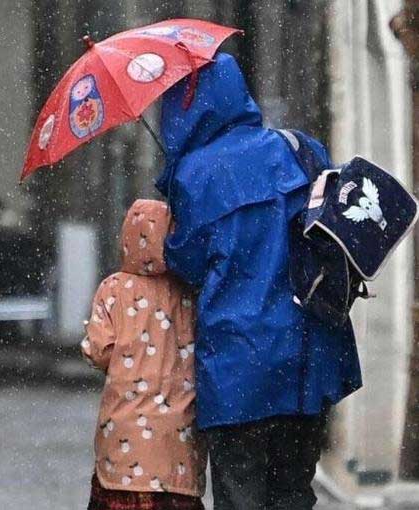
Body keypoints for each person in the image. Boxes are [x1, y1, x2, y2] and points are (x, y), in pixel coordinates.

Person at [156, 53, 362, 509]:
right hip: (307, 358)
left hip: (238, 368)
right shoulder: (300, 149)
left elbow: (188, 264)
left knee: (240, 493)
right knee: (293, 492)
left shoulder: (195, 175)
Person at [81, 199, 204, 510]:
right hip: (177, 447)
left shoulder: (113, 290)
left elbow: (100, 351)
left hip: (122, 448)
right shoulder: (188, 293)